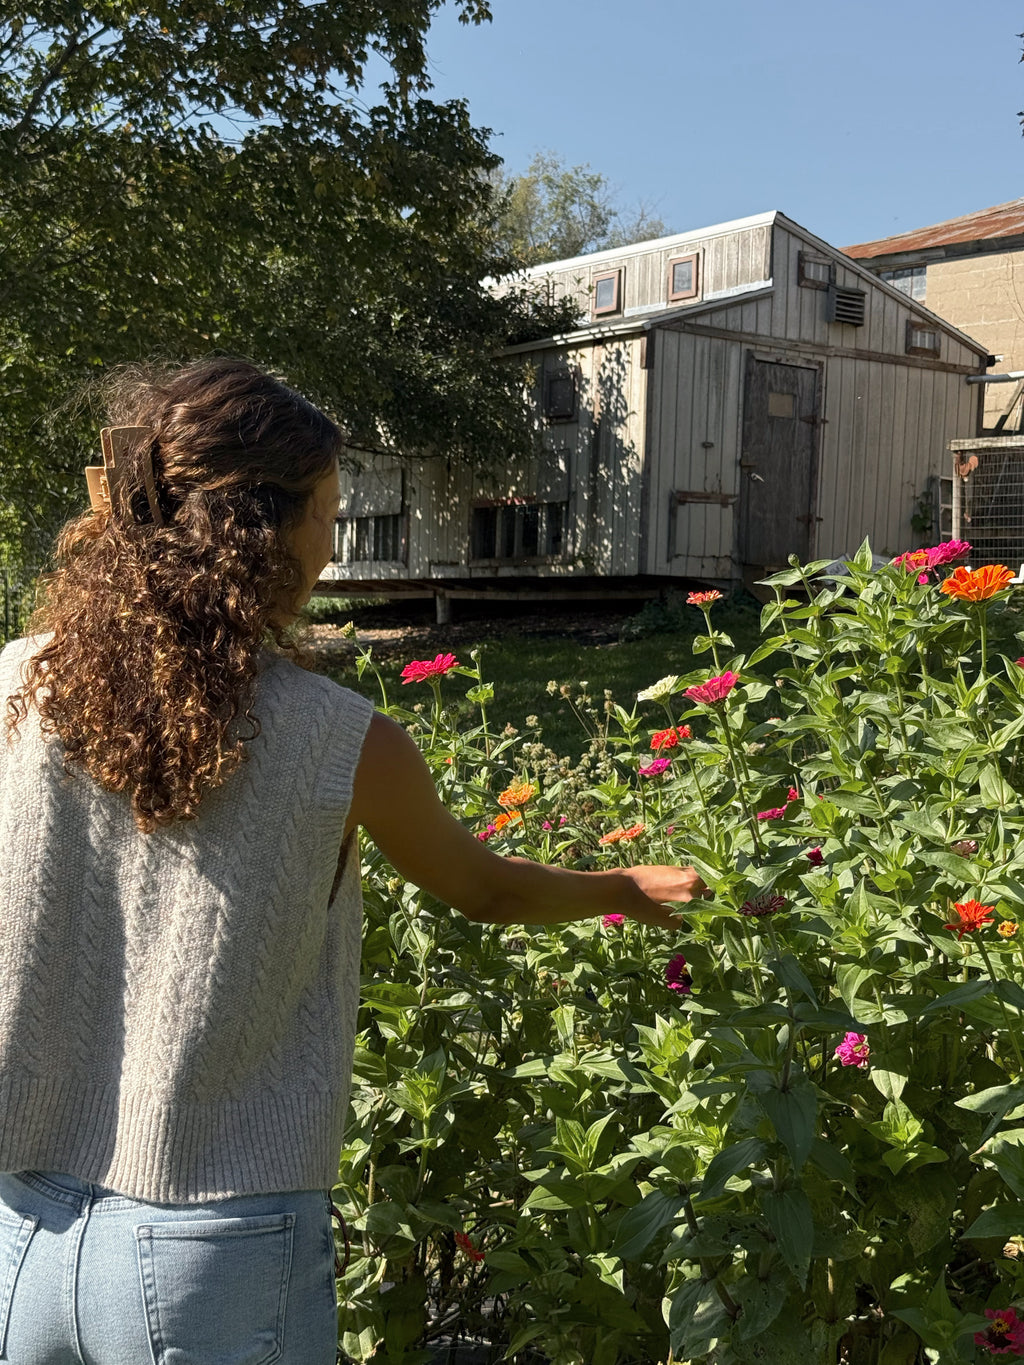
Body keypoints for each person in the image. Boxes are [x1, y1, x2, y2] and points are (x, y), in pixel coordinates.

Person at [0, 357, 706, 1364]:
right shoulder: (338, 739)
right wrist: (623, 887)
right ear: (260, 535)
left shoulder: (16, 686)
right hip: (215, 1240)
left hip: (21, 1222)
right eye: (328, 517)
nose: (333, 547)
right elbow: (486, 888)